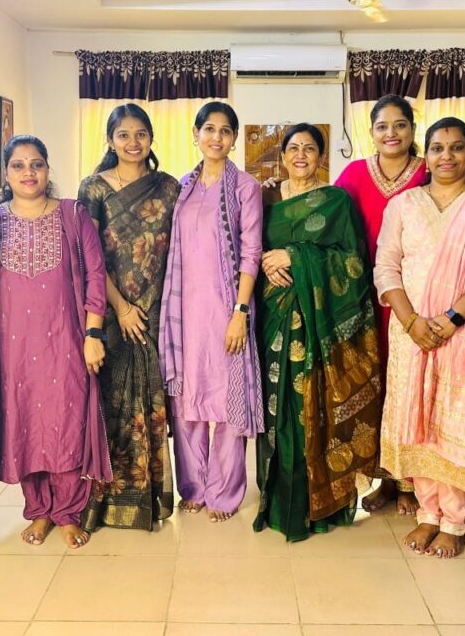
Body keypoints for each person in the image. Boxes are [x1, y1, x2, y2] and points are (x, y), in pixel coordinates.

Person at [374, 118, 465, 558]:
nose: (447, 156)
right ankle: (427, 513)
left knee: (455, 421)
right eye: (437, 148)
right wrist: (410, 322)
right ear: (426, 155)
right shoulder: (403, 204)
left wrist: (452, 318)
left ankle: (454, 521)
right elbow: (386, 267)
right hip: (412, 331)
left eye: (457, 147)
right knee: (416, 417)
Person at [254, 123, 382, 541]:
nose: (301, 155)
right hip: (273, 316)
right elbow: (243, 248)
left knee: (312, 404)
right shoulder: (264, 198)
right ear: (282, 156)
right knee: (277, 408)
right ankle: (277, 501)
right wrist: (265, 261)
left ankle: (321, 503)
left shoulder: (336, 201)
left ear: (321, 157)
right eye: (293, 148)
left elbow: (354, 262)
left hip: (318, 325)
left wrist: (295, 255)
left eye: (310, 148)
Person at [0, 135, 111, 548]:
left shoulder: (72, 215)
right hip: (14, 345)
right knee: (24, 422)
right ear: (6, 174)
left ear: (47, 169)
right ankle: (39, 510)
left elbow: (96, 275)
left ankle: (68, 512)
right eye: (18, 165)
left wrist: (93, 333)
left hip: (66, 339)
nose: (28, 172)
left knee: (66, 421)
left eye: (36, 164)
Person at [159, 101, 264, 523]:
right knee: (188, 401)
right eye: (209, 129)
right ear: (196, 134)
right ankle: (194, 487)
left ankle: (224, 491)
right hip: (184, 310)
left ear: (234, 138)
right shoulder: (183, 187)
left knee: (227, 401)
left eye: (225, 130)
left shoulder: (245, 187)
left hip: (225, 307)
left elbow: (251, 252)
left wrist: (240, 311)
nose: (216, 137)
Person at [78, 104, 179, 532]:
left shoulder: (168, 187)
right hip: (109, 310)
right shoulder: (93, 188)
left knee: (150, 402)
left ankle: (146, 501)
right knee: (109, 402)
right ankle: (102, 503)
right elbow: (89, 257)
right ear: (110, 140)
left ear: (151, 138)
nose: (133, 142)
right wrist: (120, 308)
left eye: (141, 134)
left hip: (156, 310)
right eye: (123, 134)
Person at [334, 93, 427, 514]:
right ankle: (384, 478)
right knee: (374, 385)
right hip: (362, 296)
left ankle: (411, 482)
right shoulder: (354, 173)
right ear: (370, 132)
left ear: (412, 128)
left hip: (414, 296)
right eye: (382, 126)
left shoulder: (430, 170)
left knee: (410, 386)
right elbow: (326, 220)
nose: (391, 133)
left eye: (400, 124)